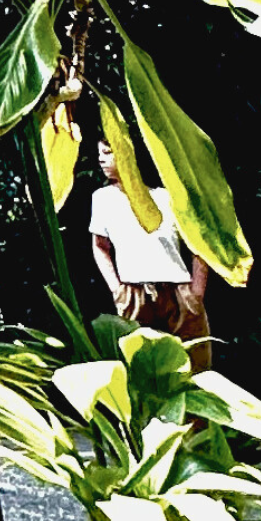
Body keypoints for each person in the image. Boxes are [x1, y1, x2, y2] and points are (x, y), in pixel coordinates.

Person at [89, 134, 214, 362]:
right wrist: (117, 290)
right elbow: (100, 246)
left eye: (108, 153)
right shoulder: (102, 199)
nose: (101, 160)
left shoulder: (167, 197)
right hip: (134, 295)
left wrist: (196, 293)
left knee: (195, 368)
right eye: (99, 154)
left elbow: (199, 245)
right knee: (142, 374)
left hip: (179, 294)